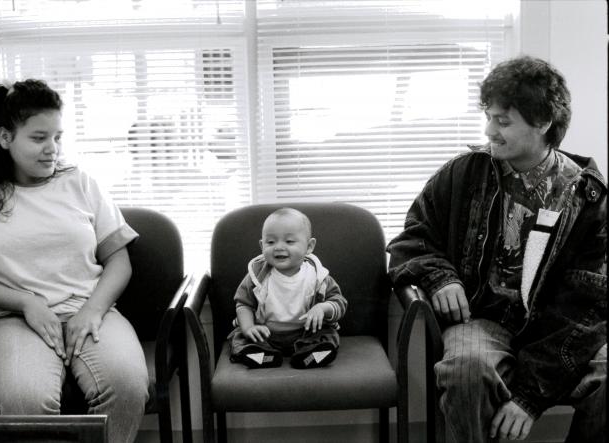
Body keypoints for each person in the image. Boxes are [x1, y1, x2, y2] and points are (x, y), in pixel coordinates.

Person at [387, 55, 606, 442]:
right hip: (482, 321)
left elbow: (588, 308)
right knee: (466, 369)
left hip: (558, 332)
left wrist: (528, 399)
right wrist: (440, 278)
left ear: (543, 123)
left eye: (503, 121)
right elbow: (412, 238)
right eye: (488, 117)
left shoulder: (589, 199)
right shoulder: (462, 174)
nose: (490, 130)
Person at [0, 79, 149, 443]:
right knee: (25, 402)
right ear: (6, 138)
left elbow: (119, 260)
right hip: (11, 319)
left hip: (89, 309)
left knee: (128, 387)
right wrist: (27, 302)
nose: (51, 149)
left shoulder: (81, 183)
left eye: (57, 137)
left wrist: (93, 310)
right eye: (39, 138)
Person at [228, 208, 348, 369]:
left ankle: (311, 356)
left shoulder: (318, 276)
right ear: (262, 246)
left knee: (327, 335)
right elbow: (243, 304)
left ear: (309, 246)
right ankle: (262, 356)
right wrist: (249, 327)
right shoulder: (256, 276)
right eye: (271, 242)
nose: (278, 247)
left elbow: (339, 302)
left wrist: (322, 308)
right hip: (266, 333)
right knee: (240, 337)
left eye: (289, 241)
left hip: (306, 332)